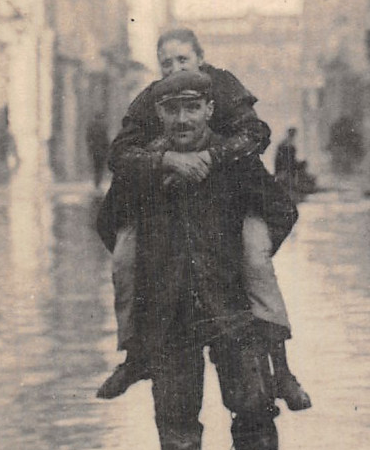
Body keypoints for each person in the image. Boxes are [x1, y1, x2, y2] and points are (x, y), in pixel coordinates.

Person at [107, 68, 296, 450]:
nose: (184, 119)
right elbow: (109, 221)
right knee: (175, 418)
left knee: (254, 413)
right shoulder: (143, 169)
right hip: (169, 315)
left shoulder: (236, 160)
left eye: (193, 108)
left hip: (231, 311)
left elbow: (281, 210)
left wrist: (251, 248)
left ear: (211, 110)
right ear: (159, 115)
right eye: (172, 110)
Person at [96, 28, 310, 411]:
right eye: (167, 63)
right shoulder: (149, 98)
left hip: (237, 192)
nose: (175, 69)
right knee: (124, 259)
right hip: (163, 188)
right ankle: (133, 355)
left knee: (255, 261)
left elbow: (256, 133)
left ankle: (283, 369)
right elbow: (120, 153)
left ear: (201, 58)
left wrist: (212, 157)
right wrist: (165, 159)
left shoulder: (223, 85)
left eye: (183, 60)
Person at [86, 111, 110, 189]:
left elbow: (88, 138)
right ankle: (98, 182)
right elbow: (106, 139)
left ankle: (96, 182)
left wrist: (90, 148)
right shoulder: (103, 126)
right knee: (100, 167)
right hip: (102, 150)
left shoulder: (91, 126)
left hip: (95, 150)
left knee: (96, 167)